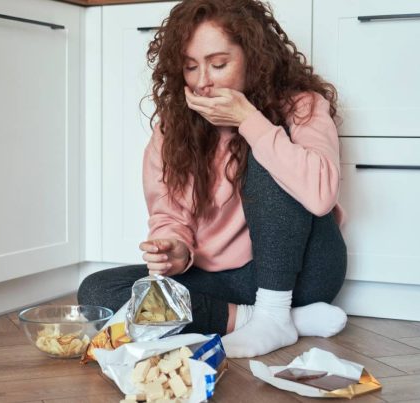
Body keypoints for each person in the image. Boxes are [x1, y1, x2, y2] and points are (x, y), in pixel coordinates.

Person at [78, 0, 348, 358]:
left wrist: (250, 121)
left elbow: (320, 196)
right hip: (223, 283)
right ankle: (268, 320)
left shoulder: (302, 105)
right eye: (191, 67)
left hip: (302, 272)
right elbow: (168, 212)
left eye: (218, 64)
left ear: (255, 58)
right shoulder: (172, 129)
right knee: (97, 291)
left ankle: (274, 310)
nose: (203, 82)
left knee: (268, 151)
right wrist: (174, 248)